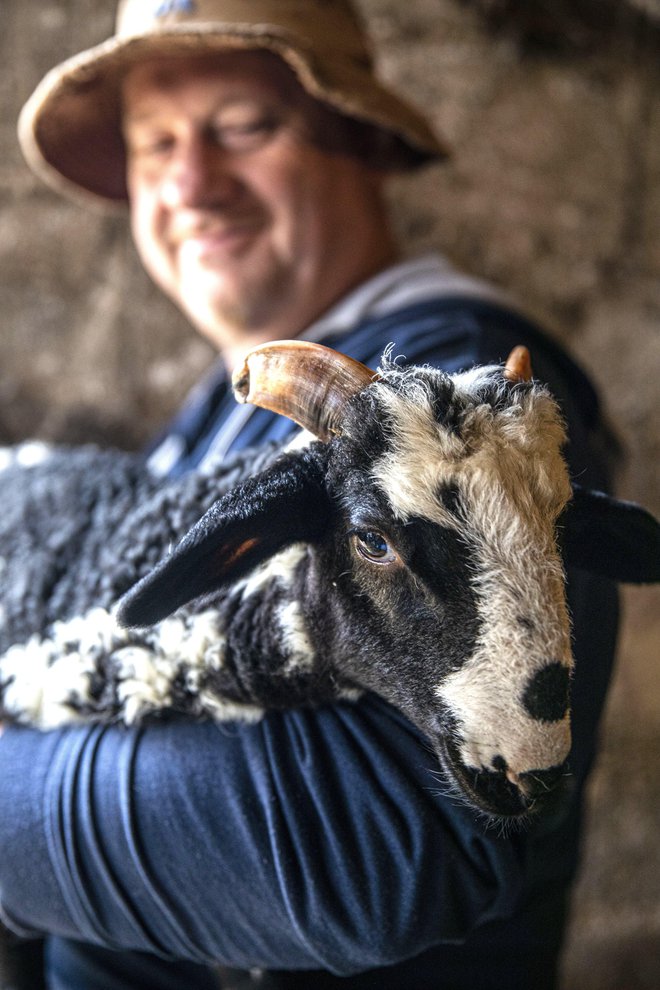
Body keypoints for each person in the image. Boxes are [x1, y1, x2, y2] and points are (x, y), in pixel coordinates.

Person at [0, 2, 620, 988]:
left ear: (362, 140)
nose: (191, 184)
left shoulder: (470, 412)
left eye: (243, 126)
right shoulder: (210, 426)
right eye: (153, 144)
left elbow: (371, 864)